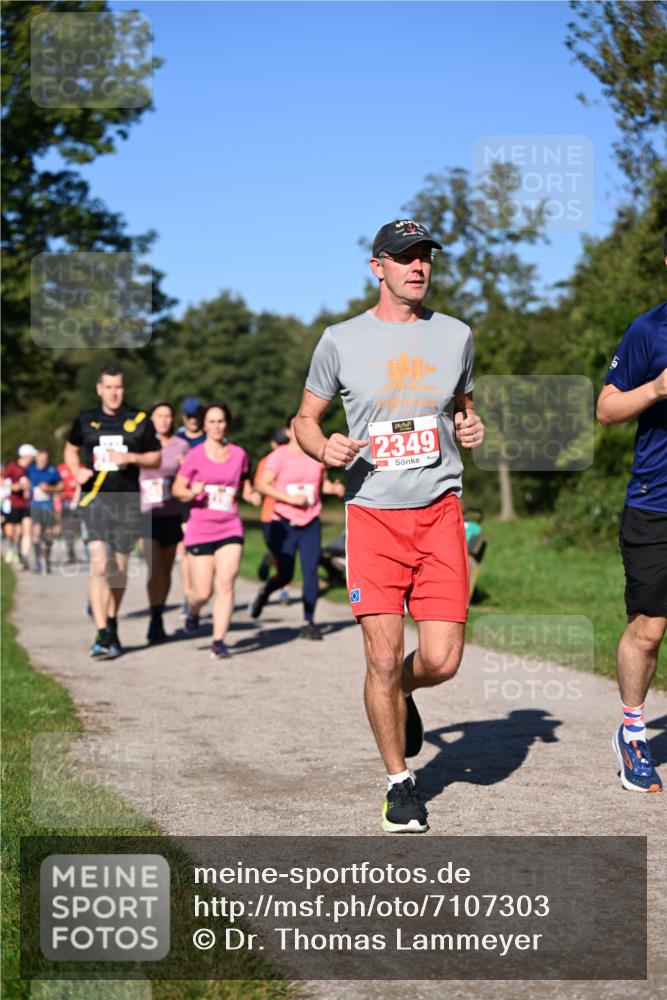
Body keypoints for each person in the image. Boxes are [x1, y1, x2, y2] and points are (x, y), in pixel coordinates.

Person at [294, 219, 485, 833]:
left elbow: (462, 408)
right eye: (405, 257)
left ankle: (403, 694)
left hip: (439, 513)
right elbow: (304, 419)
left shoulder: (456, 336)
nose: (418, 267)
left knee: (443, 659)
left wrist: (471, 428)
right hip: (372, 514)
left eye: (425, 256)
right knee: (380, 657)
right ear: (378, 266)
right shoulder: (340, 340)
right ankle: (400, 783)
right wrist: (321, 448)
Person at [596, 231, 667, 794]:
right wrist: (656, 388)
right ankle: (633, 731)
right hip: (656, 504)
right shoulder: (649, 330)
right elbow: (606, 408)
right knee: (650, 628)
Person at [64, 365, 161, 659]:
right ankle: (102, 631)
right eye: (108, 387)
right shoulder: (85, 419)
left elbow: (156, 457)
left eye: (118, 387)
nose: (113, 392)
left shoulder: (140, 420)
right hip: (95, 499)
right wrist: (74, 471)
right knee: (99, 562)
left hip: (127, 500)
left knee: (118, 569)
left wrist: (130, 457)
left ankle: (112, 619)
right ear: (99, 389)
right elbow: (70, 448)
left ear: (124, 389)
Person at [172, 402, 260, 659]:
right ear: (204, 425)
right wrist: (191, 492)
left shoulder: (239, 454)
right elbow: (177, 489)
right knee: (202, 592)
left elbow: (244, 484)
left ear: (227, 423)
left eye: (221, 421)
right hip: (200, 528)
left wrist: (251, 494)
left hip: (230, 526)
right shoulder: (195, 455)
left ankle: (218, 641)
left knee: (226, 583)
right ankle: (194, 609)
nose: (217, 426)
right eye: (211, 421)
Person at [250, 415, 344, 639]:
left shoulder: (317, 456)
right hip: (283, 522)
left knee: (310, 571)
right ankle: (266, 591)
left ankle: (308, 621)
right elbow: (261, 484)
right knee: (285, 575)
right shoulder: (279, 456)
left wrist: (334, 489)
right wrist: (288, 498)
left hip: (310, 522)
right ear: (288, 431)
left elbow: (321, 484)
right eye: (296, 426)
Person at [139, 401, 190, 644]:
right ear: (151, 419)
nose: (164, 421)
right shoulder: (141, 443)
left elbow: (190, 477)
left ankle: (158, 614)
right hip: (146, 514)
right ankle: (153, 617)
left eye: (168, 416)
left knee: (166, 570)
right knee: (154, 567)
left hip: (171, 513)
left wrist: (184, 469)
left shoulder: (182, 446)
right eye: (159, 416)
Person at [175, 396, 206, 618]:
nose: (192, 419)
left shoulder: (210, 437)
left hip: (206, 501)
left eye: (196, 415)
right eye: (189, 415)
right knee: (184, 550)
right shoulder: (176, 438)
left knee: (199, 553)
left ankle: (197, 592)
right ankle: (188, 595)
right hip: (182, 500)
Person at [254, 427, 289, 582]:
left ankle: (284, 590)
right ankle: (269, 560)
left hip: (290, 514)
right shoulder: (265, 462)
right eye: (279, 443)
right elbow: (259, 487)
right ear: (272, 444)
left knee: (288, 553)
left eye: (284, 443)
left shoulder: (293, 460)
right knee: (280, 552)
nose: (281, 447)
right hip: (269, 516)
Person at [28, 449, 63, 574]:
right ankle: (38, 560)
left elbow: (61, 486)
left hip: (48, 505)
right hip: (35, 505)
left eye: (45, 459)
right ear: (36, 458)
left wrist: (49, 488)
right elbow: (24, 481)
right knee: (36, 532)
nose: (42, 461)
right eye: (40, 459)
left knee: (48, 533)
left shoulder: (52, 470)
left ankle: (47, 559)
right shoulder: (30, 469)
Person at [3, 444, 37, 569]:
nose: (33, 458)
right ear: (25, 455)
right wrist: (15, 487)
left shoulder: (30, 469)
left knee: (26, 531)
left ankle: (24, 557)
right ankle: (13, 551)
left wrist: (28, 488)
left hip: (27, 504)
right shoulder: (12, 467)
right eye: (31, 455)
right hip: (13, 504)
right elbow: (2, 481)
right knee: (14, 533)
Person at [55, 458, 79, 564]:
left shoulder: (81, 468)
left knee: (81, 529)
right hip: (65, 503)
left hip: (79, 502)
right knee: (68, 529)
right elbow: (56, 485)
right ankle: (70, 552)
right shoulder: (60, 469)